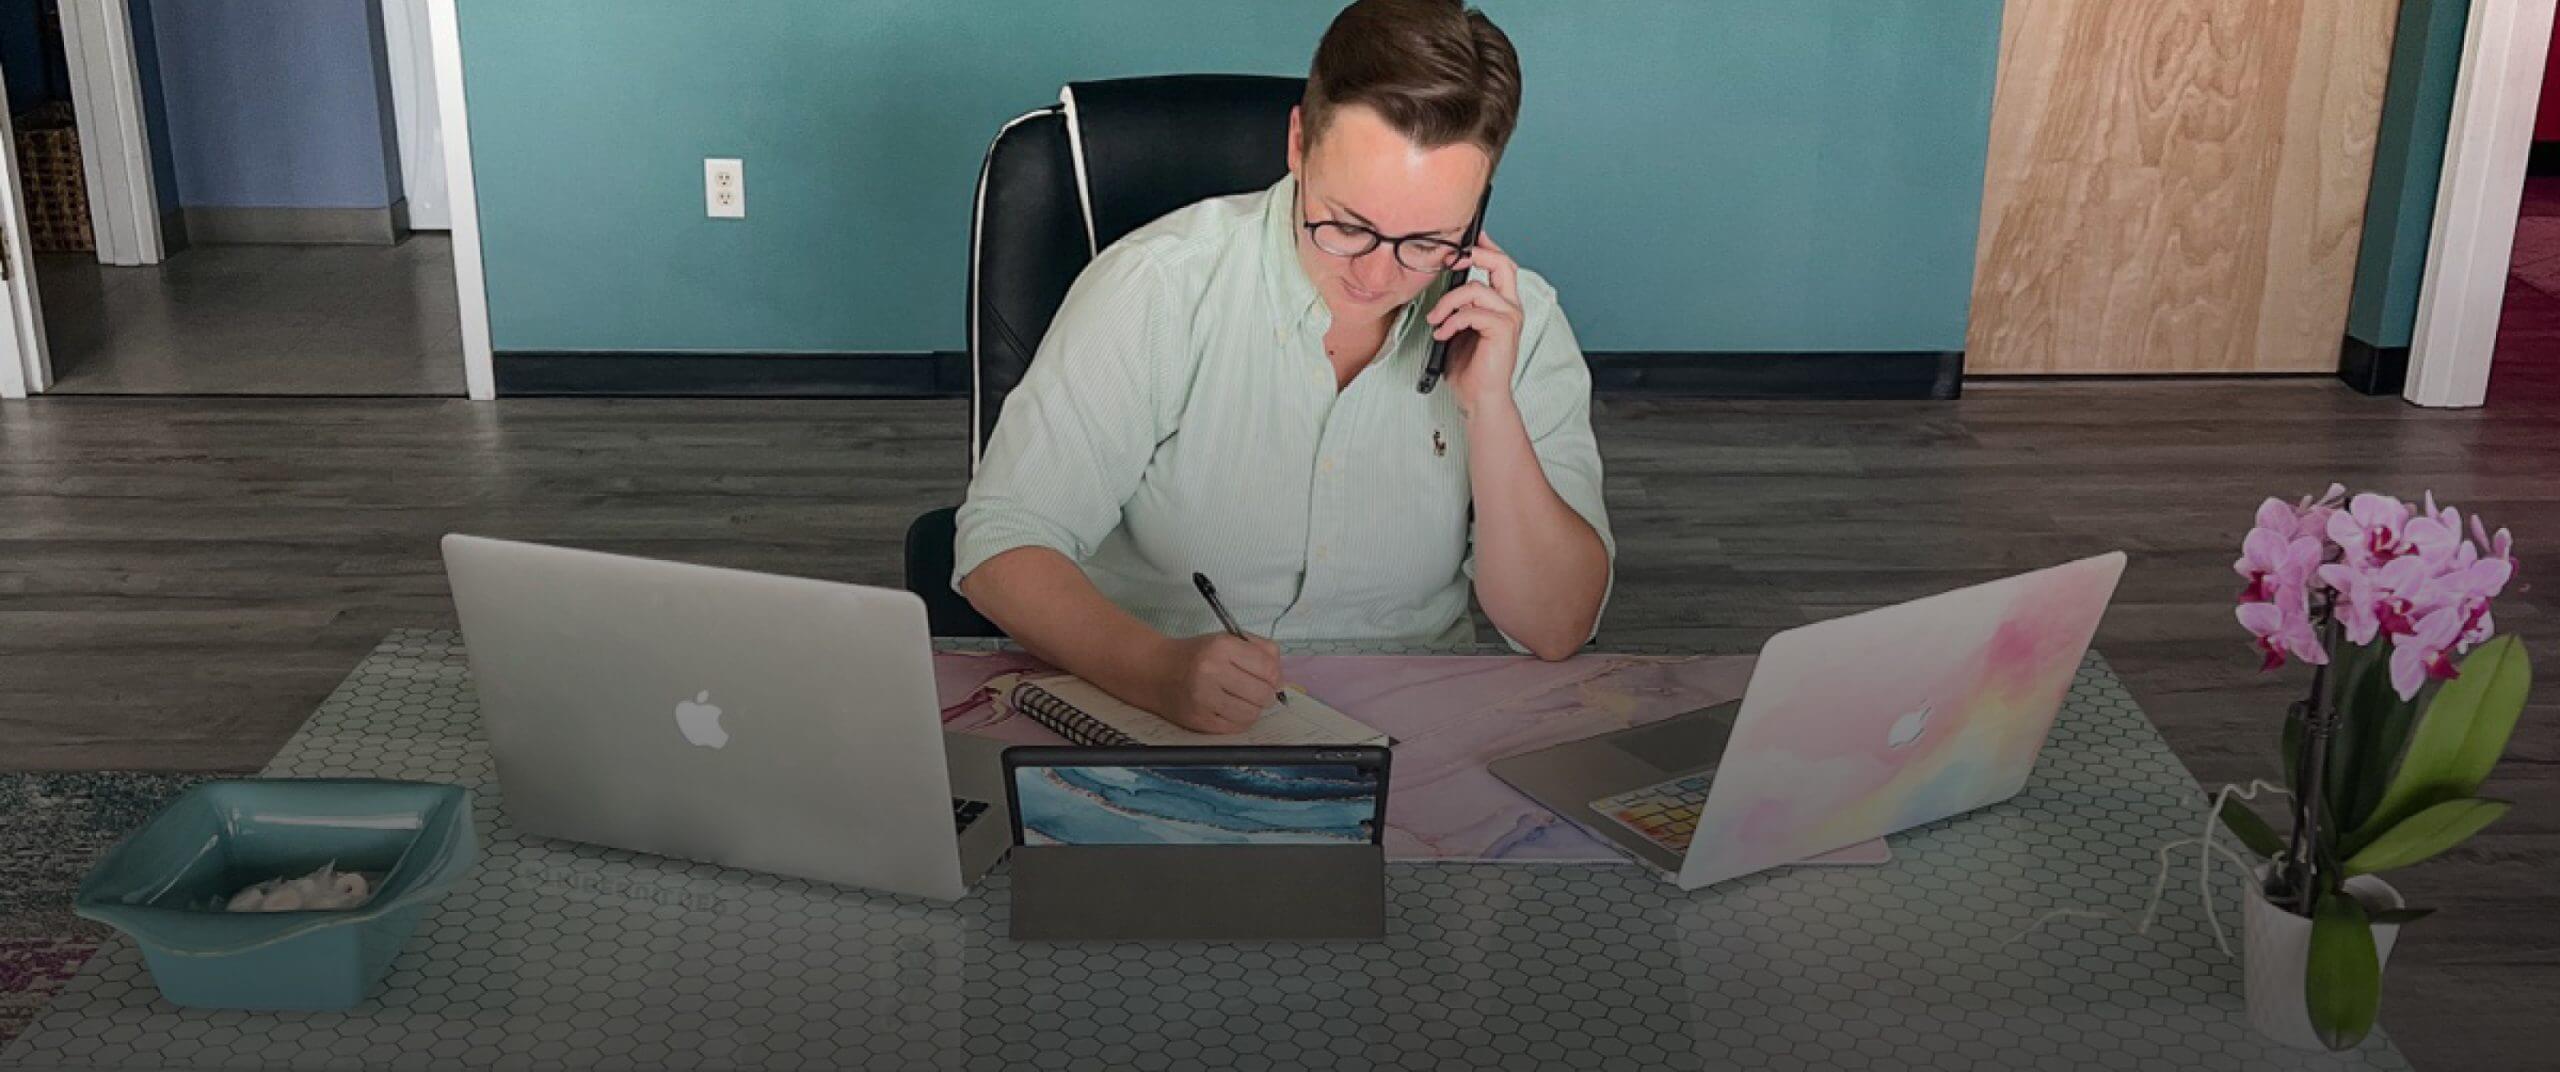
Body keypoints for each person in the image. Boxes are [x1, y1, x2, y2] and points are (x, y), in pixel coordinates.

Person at [953, 0, 1612, 734]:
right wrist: (1155, 670)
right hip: (1152, 715)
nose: (1376, 275)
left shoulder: (1516, 320)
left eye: (1429, 240)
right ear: (1299, 143)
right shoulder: (1159, 286)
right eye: (1347, 224)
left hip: (1411, 732)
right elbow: (1002, 543)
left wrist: (1492, 411)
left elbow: (1557, 629)